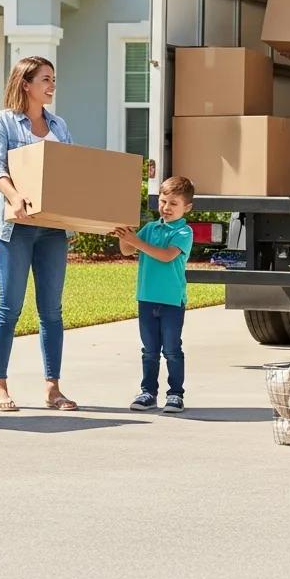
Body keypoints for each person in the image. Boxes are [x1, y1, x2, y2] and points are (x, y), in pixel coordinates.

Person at [0, 56, 79, 413]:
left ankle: (53, 388)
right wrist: (15, 195)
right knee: (10, 306)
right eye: (45, 79)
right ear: (26, 84)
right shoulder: (3, 122)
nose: (52, 85)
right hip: (14, 227)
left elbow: (69, 171)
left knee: (52, 309)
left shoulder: (58, 125)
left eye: (54, 78)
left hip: (50, 229)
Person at [114, 176, 195, 414]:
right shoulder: (150, 228)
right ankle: (148, 392)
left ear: (186, 207)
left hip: (171, 301)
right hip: (147, 298)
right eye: (162, 202)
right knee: (149, 350)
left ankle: (175, 394)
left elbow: (166, 255)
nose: (166, 208)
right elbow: (127, 250)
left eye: (173, 204)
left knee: (171, 349)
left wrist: (136, 241)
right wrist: (124, 236)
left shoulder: (184, 232)